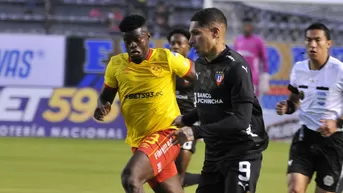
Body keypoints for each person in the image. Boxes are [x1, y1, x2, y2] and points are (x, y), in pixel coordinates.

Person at [93, 14, 196, 193]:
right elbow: (105, 96)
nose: (133, 44)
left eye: (137, 39)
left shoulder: (165, 58)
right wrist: (102, 106)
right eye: (128, 41)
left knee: (131, 178)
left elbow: (200, 76)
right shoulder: (116, 65)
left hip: (166, 134)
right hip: (140, 141)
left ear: (147, 37)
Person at [170, 8, 269, 193]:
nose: (191, 41)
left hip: (242, 151)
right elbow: (210, 103)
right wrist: (185, 119)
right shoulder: (201, 64)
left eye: (196, 33)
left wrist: (196, 131)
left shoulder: (236, 67)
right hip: (215, 152)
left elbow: (241, 120)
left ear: (215, 33)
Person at [275, 22, 343, 193]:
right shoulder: (299, 69)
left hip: (333, 142)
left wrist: (336, 123)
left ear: (328, 43)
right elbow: (295, 100)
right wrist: (288, 106)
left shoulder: (339, 71)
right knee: (295, 190)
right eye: (308, 40)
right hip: (305, 138)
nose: (312, 45)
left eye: (317, 40)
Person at [167, 28, 201, 187]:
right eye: (172, 43)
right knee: (168, 174)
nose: (175, 46)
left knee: (179, 172)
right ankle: (211, 178)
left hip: (188, 124)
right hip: (168, 124)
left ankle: (213, 179)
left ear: (188, 46)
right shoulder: (164, 70)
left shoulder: (196, 70)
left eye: (180, 43)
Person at [234, 17, 269, 98]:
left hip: (253, 77)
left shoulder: (258, 41)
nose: (246, 28)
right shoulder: (238, 40)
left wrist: (265, 75)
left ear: (252, 27)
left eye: (248, 26)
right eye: (244, 26)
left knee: (252, 100)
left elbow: (264, 59)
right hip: (239, 76)